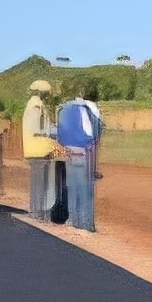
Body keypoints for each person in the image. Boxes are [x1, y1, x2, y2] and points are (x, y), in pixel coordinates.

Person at [56, 91, 104, 231]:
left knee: (73, 189)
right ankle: (86, 224)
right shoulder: (88, 108)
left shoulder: (64, 109)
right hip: (84, 153)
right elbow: (93, 132)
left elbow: (59, 134)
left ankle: (73, 221)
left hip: (69, 153)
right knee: (85, 191)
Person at [21, 80, 60, 220]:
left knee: (39, 184)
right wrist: (54, 131)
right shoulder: (36, 107)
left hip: (37, 149)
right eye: (46, 93)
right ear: (41, 92)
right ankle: (37, 213)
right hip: (39, 150)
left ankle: (37, 212)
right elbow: (38, 129)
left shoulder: (35, 106)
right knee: (40, 184)